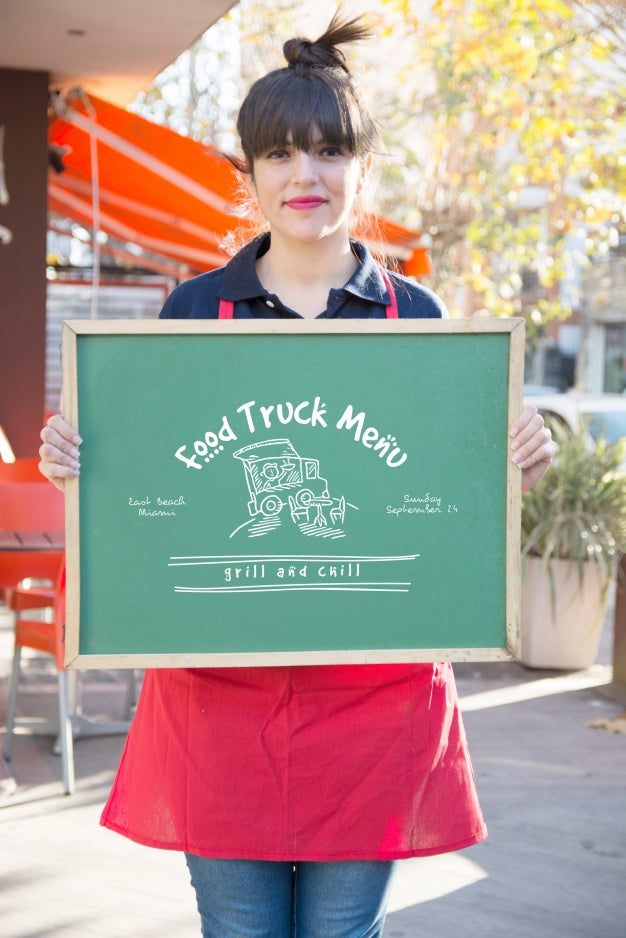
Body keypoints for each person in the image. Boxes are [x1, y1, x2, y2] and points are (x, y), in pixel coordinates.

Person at [39, 13, 556, 938]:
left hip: (375, 699)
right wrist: (78, 462)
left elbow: (446, 506)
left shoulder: (422, 319)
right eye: (278, 155)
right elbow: (149, 498)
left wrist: (515, 459)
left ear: (363, 167)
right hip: (219, 694)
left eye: (327, 153)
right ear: (247, 177)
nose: (304, 177)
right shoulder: (191, 312)